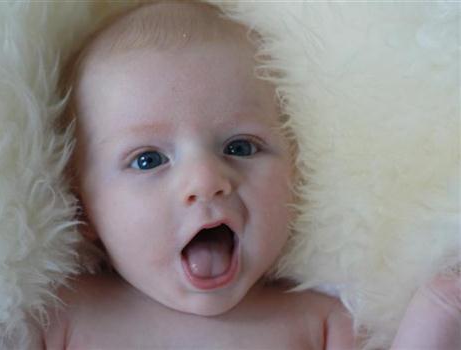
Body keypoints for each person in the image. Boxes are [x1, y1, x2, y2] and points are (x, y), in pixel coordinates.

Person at [44, 1, 460, 349]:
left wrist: (440, 309)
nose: (206, 179)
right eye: (148, 160)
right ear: (82, 208)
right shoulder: (58, 317)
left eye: (240, 147)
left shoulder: (321, 323)